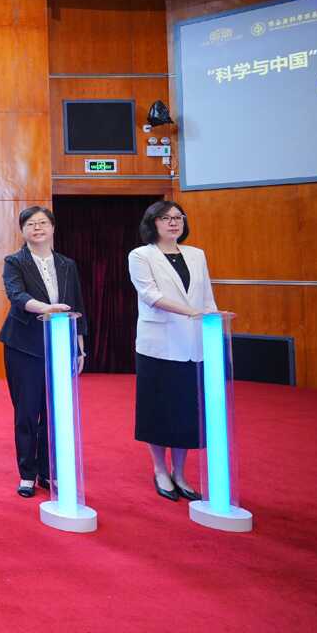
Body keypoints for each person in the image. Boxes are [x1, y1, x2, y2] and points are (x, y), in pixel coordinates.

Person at [129, 200, 217, 502]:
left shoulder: (196, 255)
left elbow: (207, 297)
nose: (173, 222)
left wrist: (211, 322)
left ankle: (180, 473)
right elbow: (150, 295)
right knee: (158, 411)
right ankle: (160, 470)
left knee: (185, 412)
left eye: (178, 217)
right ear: (152, 223)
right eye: (166, 218)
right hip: (158, 346)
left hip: (193, 346)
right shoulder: (141, 255)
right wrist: (192, 312)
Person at [0, 206, 88, 498]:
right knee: (27, 411)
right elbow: (17, 296)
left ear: (52, 228)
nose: (37, 228)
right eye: (31, 224)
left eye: (43, 223)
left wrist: (79, 348)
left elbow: (77, 305)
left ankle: (49, 471)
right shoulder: (15, 262)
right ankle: (27, 473)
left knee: (55, 411)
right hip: (23, 345)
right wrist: (47, 309)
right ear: (22, 231)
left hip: (60, 344)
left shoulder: (67, 264)